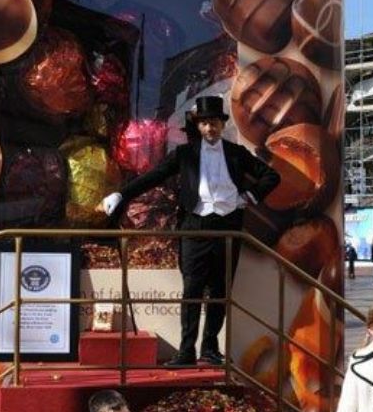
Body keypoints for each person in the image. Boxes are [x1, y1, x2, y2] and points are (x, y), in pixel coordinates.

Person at [102, 95, 280, 367]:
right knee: (192, 291)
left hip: (227, 226)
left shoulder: (235, 153)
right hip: (194, 227)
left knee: (221, 290)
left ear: (222, 125)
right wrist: (121, 194)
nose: (210, 129)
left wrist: (250, 196)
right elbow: (154, 176)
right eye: (205, 124)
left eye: (215, 123)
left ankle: (210, 348)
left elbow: (271, 176)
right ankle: (186, 351)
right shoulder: (184, 155)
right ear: (198, 126)